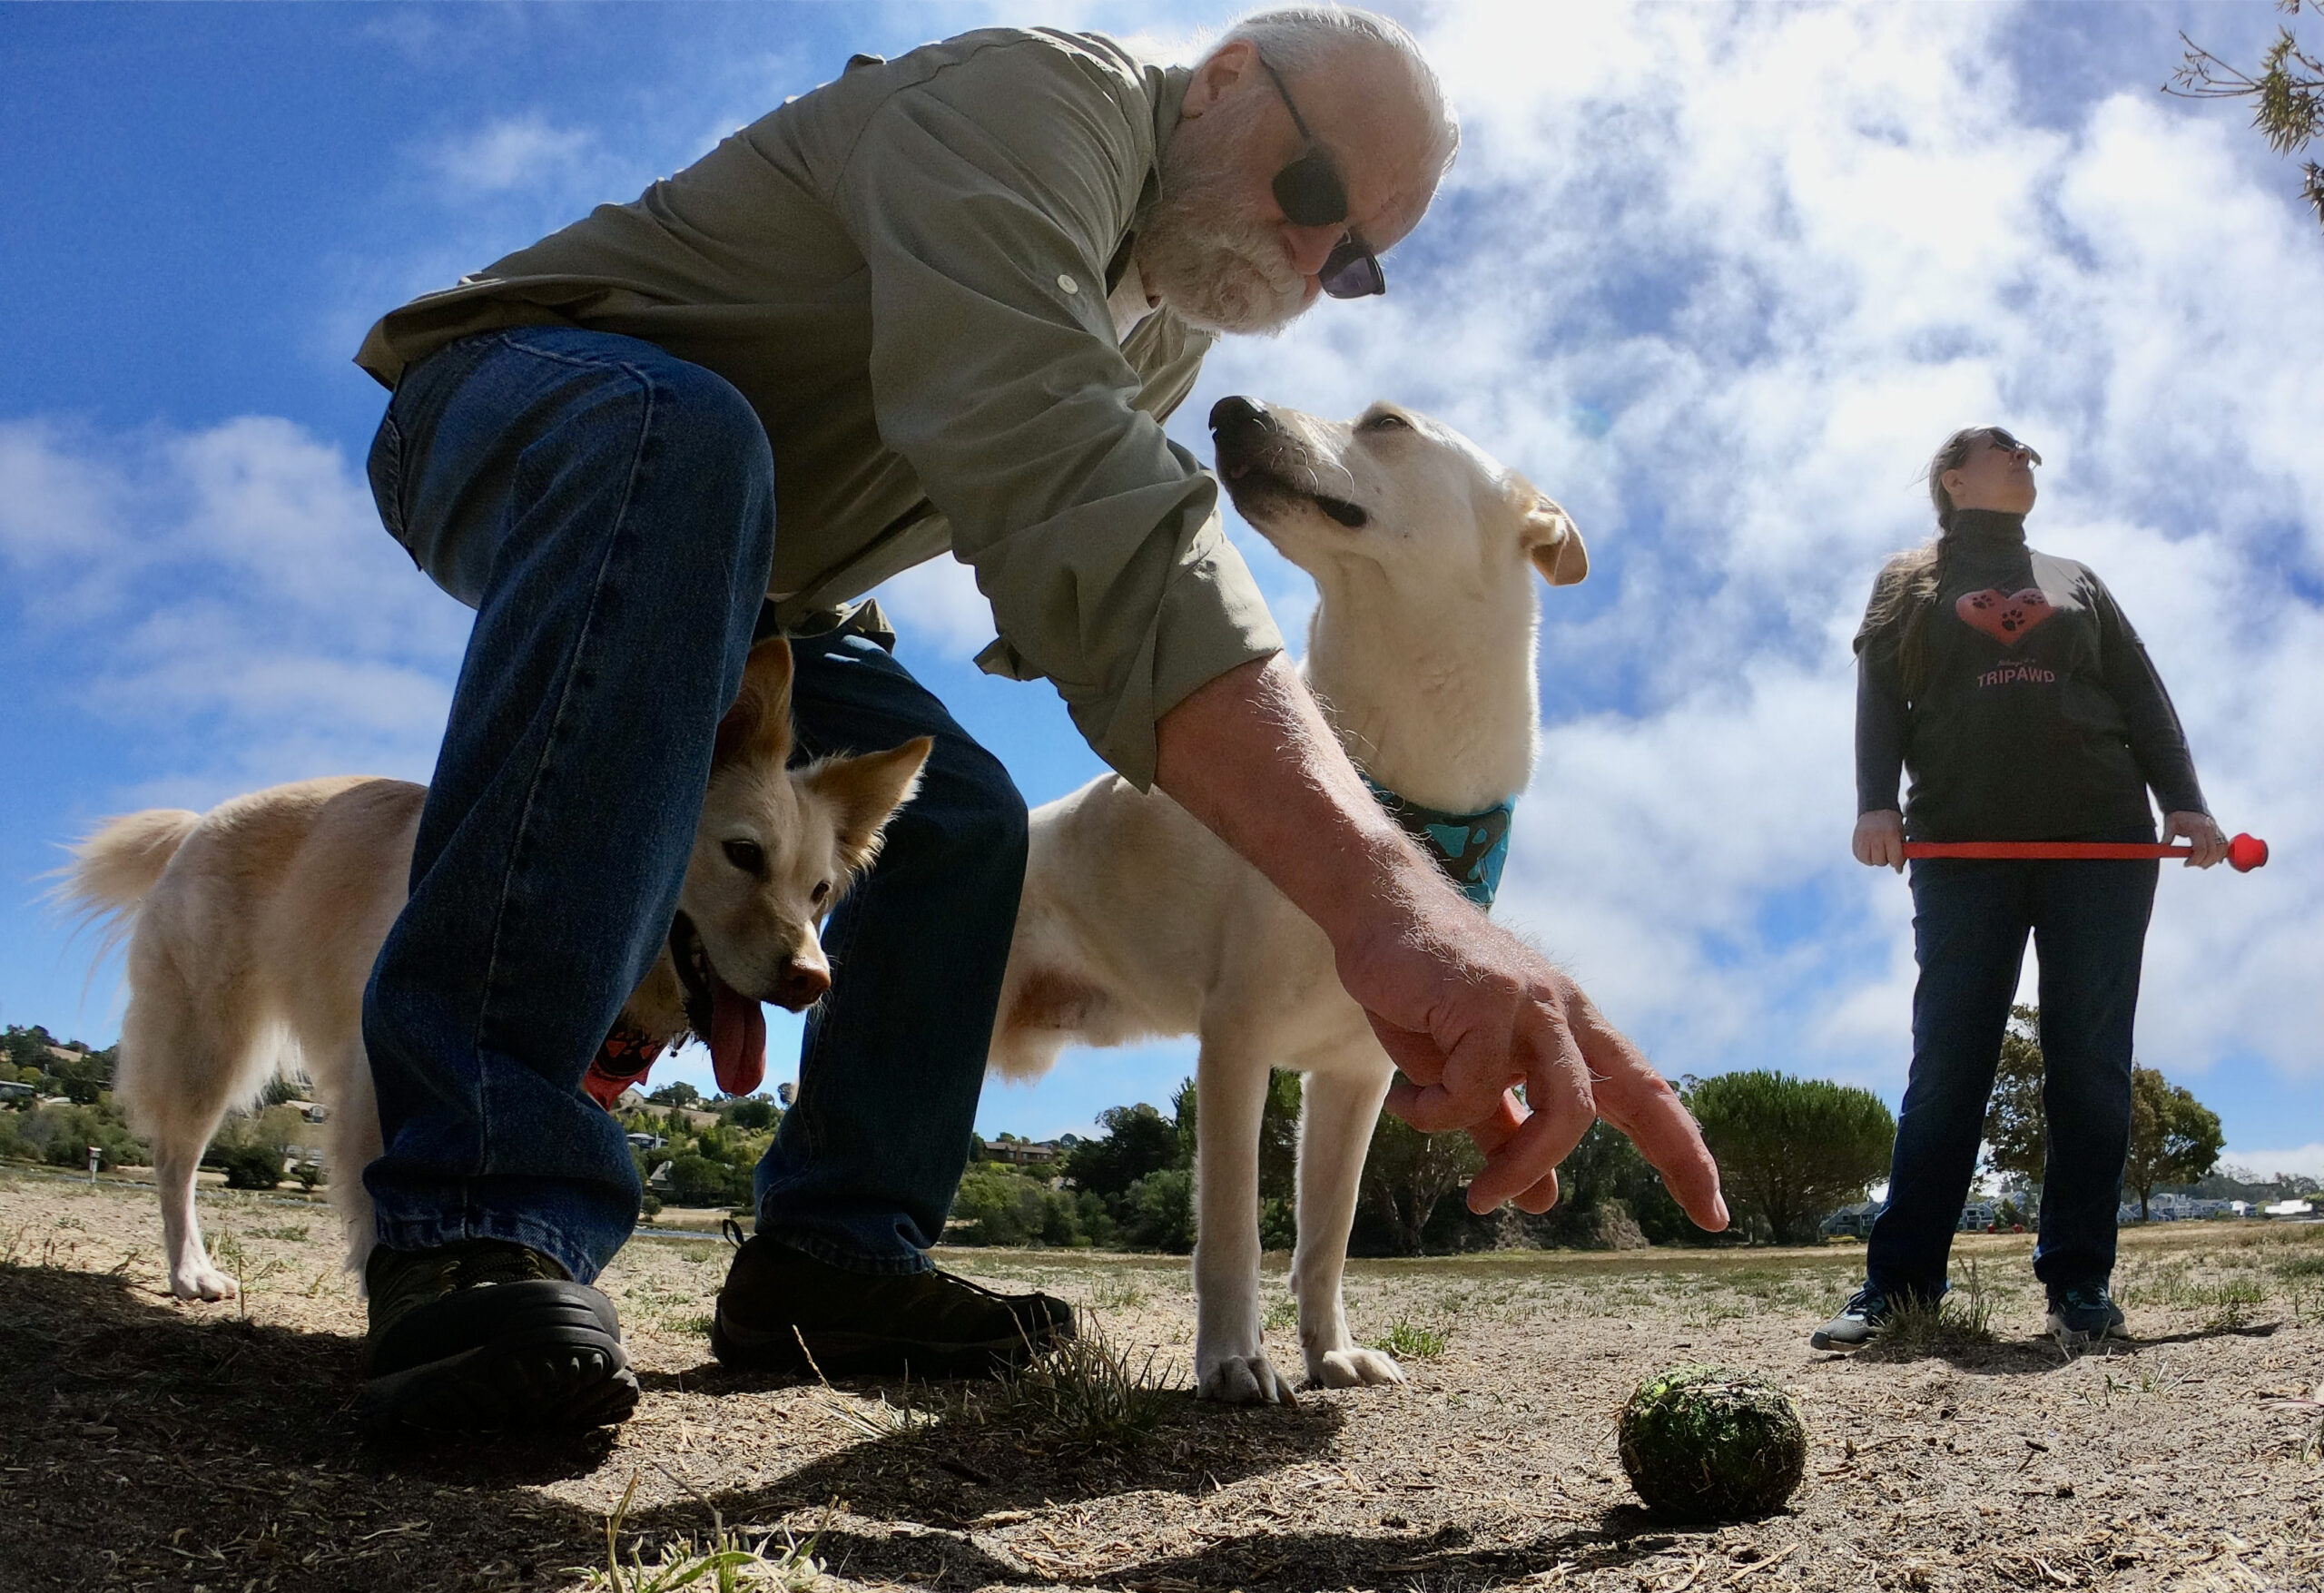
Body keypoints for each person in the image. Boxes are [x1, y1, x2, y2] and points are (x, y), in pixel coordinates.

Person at [350, 10, 1729, 1435]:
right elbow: (1071, 486)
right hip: (527, 407)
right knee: (686, 444)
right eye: (1316, 199)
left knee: (958, 826)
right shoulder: (1029, 101)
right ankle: (475, 1214)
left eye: (1358, 261)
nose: (1315, 268)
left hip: (769, 591)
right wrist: (1384, 891)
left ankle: (834, 1253)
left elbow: (1065, 553)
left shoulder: (1166, 339)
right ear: (1227, 82)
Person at [1814, 426, 2223, 1354]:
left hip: (2102, 841)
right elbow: (1880, 695)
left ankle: (2078, 1283)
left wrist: (2187, 805)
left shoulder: (2075, 578)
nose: (2023, 457)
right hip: (1964, 842)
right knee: (1949, 1059)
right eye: (2001, 450)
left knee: (2089, 1060)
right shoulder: (1909, 577)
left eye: (2028, 453)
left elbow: (2143, 695)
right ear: (1953, 478)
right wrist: (1876, 802)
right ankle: (1897, 1285)